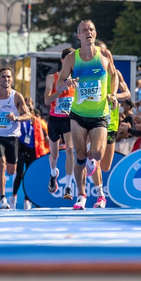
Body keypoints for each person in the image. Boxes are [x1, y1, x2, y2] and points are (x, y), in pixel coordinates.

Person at [56, 20, 120, 210]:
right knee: (80, 155)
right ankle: (81, 195)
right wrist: (66, 84)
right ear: (79, 36)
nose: (88, 32)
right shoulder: (71, 59)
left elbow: (114, 75)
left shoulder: (105, 54)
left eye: (91, 29)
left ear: (95, 33)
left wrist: (113, 94)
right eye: (84, 30)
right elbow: (59, 83)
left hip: (100, 113)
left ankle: (94, 172)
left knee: (98, 153)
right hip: (78, 114)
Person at [90, 40, 132, 208]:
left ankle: (91, 162)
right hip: (94, 118)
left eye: (105, 53)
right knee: (95, 158)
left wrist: (115, 96)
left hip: (111, 121)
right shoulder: (90, 71)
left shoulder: (115, 73)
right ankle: (100, 195)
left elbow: (127, 93)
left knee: (106, 166)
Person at [0, 67, 31, 209]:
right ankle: (2, 198)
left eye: (9, 77)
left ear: (12, 79)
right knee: (1, 164)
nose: (6, 79)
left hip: (12, 137)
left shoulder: (17, 97)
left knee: (11, 170)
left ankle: (8, 196)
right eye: (4, 77)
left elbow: (28, 115)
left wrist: (16, 118)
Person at [44, 47, 76, 199]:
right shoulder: (52, 78)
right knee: (54, 156)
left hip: (69, 119)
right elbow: (47, 100)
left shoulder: (77, 79)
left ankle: (68, 187)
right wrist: (61, 89)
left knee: (70, 150)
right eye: (68, 58)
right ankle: (53, 173)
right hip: (55, 119)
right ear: (63, 60)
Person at [11, 98, 49, 209]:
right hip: (21, 148)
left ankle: (27, 200)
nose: (28, 107)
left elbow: (44, 136)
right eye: (26, 105)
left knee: (29, 175)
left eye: (30, 105)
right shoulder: (18, 118)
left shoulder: (36, 120)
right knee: (19, 173)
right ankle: (13, 196)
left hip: (33, 149)